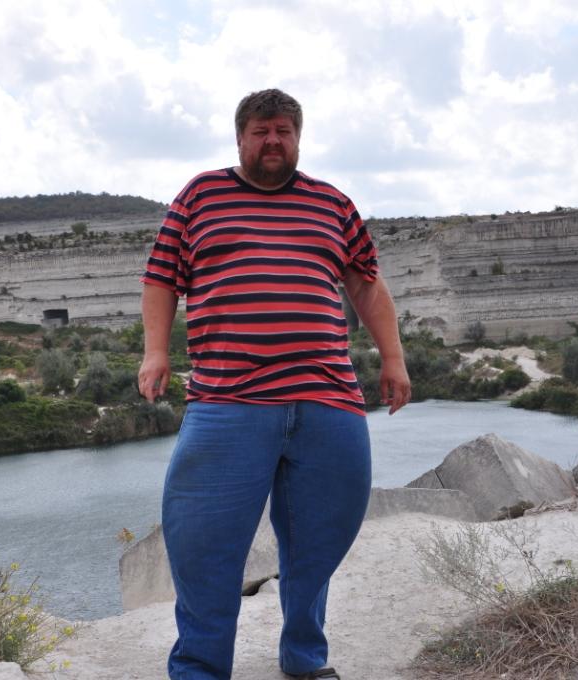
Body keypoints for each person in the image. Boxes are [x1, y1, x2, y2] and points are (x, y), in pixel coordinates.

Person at [138, 88, 410, 680]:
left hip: (327, 398)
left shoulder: (332, 203)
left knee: (321, 538)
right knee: (202, 542)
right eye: (261, 131)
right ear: (240, 137)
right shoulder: (200, 196)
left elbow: (366, 284)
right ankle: (200, 668)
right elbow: (160, 277)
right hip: (227, 401)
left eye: (283, 131)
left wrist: (393, 359)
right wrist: (155, 352)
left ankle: (305, 658)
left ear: (298, 138)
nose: (272, 141)